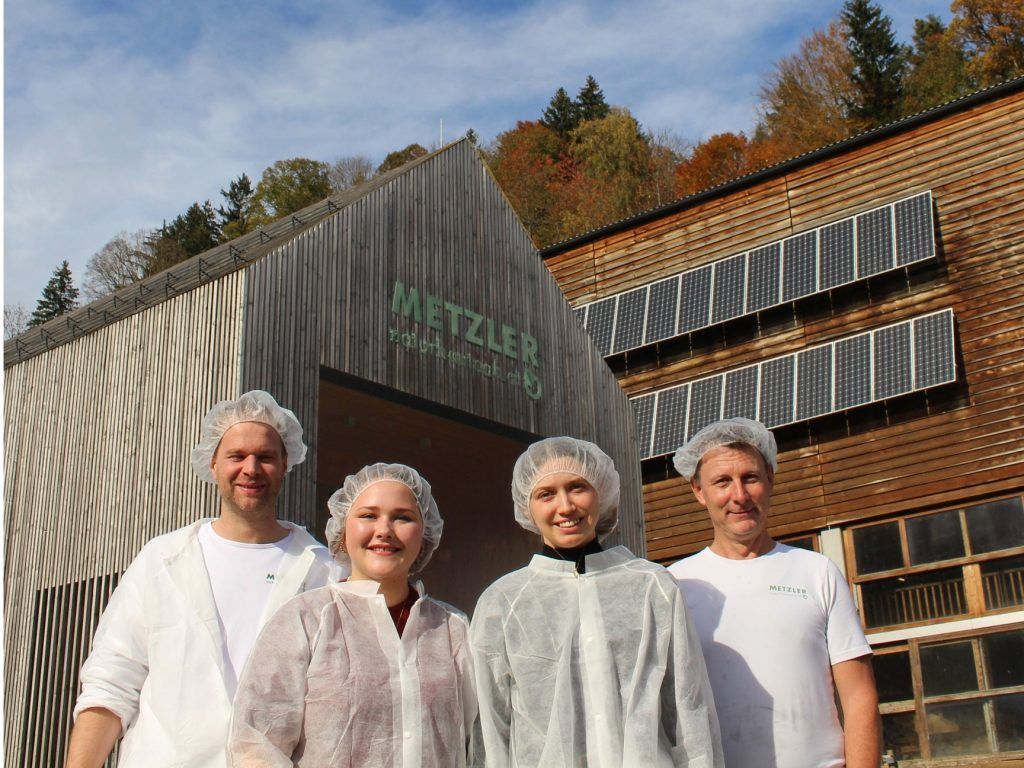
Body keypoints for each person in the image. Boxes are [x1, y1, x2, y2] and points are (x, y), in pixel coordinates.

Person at [66, 390, 339, 768]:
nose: (251, 468)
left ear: (285, 463)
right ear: (213, 464)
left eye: (265, 457)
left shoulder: (324, 572)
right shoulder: (162, 561)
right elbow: (111, 683)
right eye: (236, 456)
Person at [471, 436, 722, 767]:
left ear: (601, 492)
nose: (565, 507)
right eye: (546, 494)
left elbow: (688, 709)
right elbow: (491, 728)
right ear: (527, 506)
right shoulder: (502, 603)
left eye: (577, 487)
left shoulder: (651, 587)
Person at [229, 462, 477, 767]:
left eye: (402, 517)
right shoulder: (306, 620)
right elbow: (257, 743)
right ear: (344, 528)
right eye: (368, 516)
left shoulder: (452, 630)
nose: (384, 530)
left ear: (424, 533)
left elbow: (475, 747)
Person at [669, 418, 881, 768]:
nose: (739, 496)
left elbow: (859, 697)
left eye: (749, 478)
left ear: (770, 478)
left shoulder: (816, 571)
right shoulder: (677, 585)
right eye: (722, 481)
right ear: (698, 490)